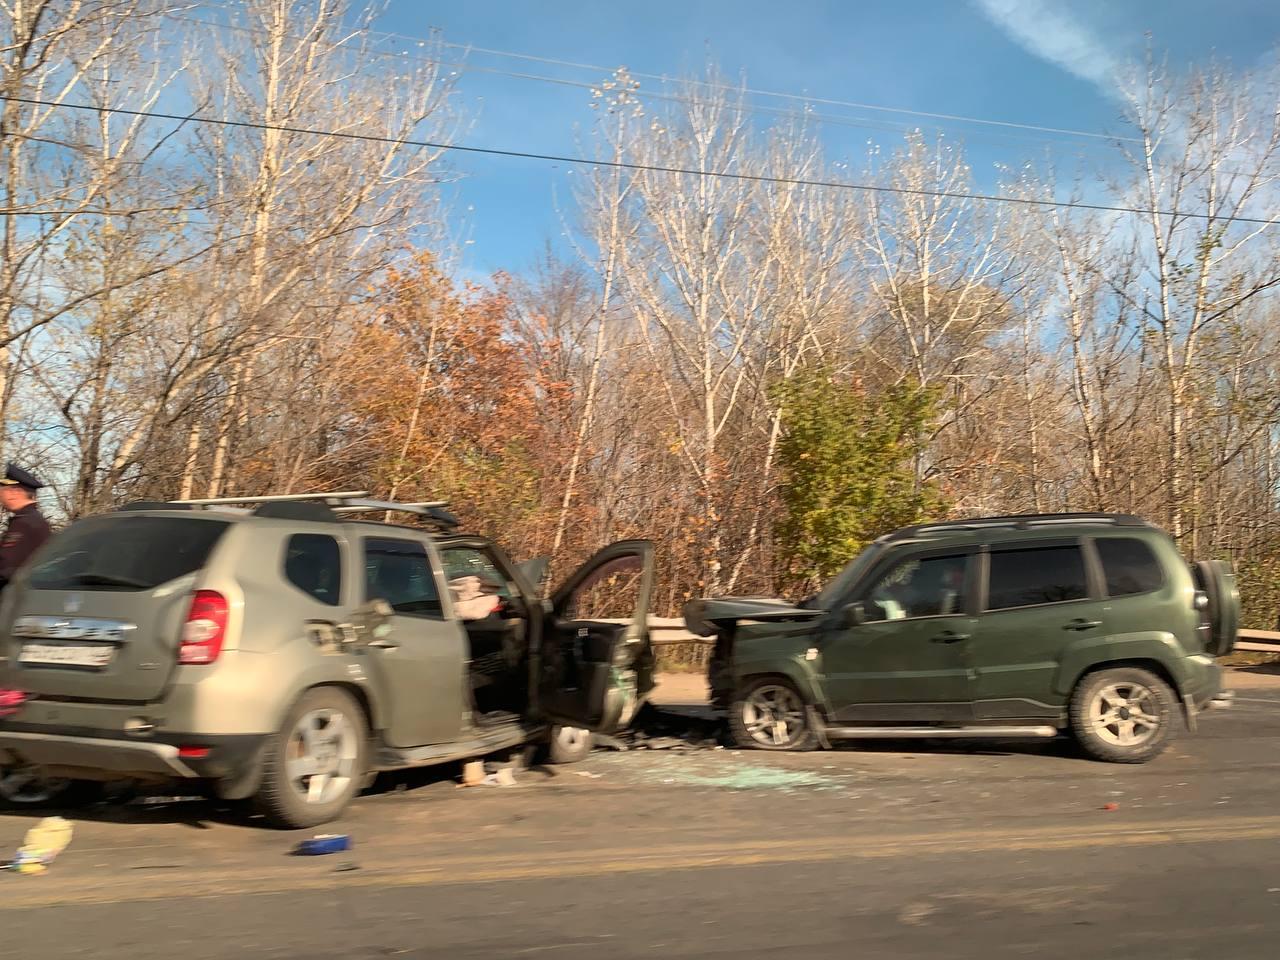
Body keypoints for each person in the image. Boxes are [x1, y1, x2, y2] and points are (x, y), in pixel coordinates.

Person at [0, 463, 51, 590]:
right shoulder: (33, 520)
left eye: (3, 490)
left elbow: (7, 567)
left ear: (14, 492)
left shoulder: (25, 523)